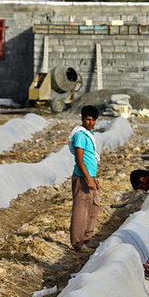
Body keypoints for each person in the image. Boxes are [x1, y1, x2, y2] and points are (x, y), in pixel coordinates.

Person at [68, 105, 101, 251]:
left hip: (89, 177)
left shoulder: (89, 133)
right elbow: (80, 160)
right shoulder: (80, 135)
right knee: (81, 210)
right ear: (82, 119)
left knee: (94, 207)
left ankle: (87, 238)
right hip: (82, 178)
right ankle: (77, 243)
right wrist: (88, 178)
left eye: (93, 120)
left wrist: (94, 178)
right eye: (88, 119)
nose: (91, 122)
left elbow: (90, 158)